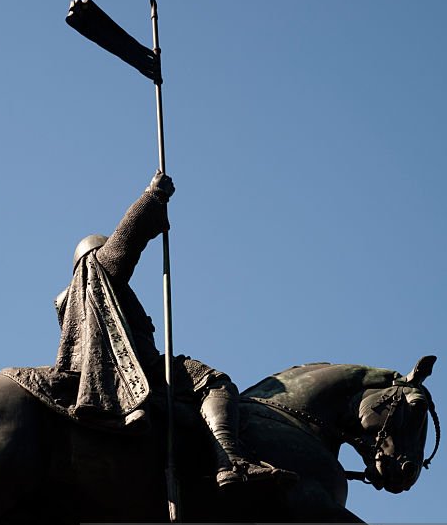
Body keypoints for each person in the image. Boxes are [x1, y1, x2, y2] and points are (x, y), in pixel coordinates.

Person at [47, 171, 298, 491]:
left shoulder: (71, 302)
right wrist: (153, 197)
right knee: (214, 381)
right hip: (139, 370)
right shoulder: (98, 272)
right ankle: (231, 460)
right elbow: (126, 240)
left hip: (103, 376)